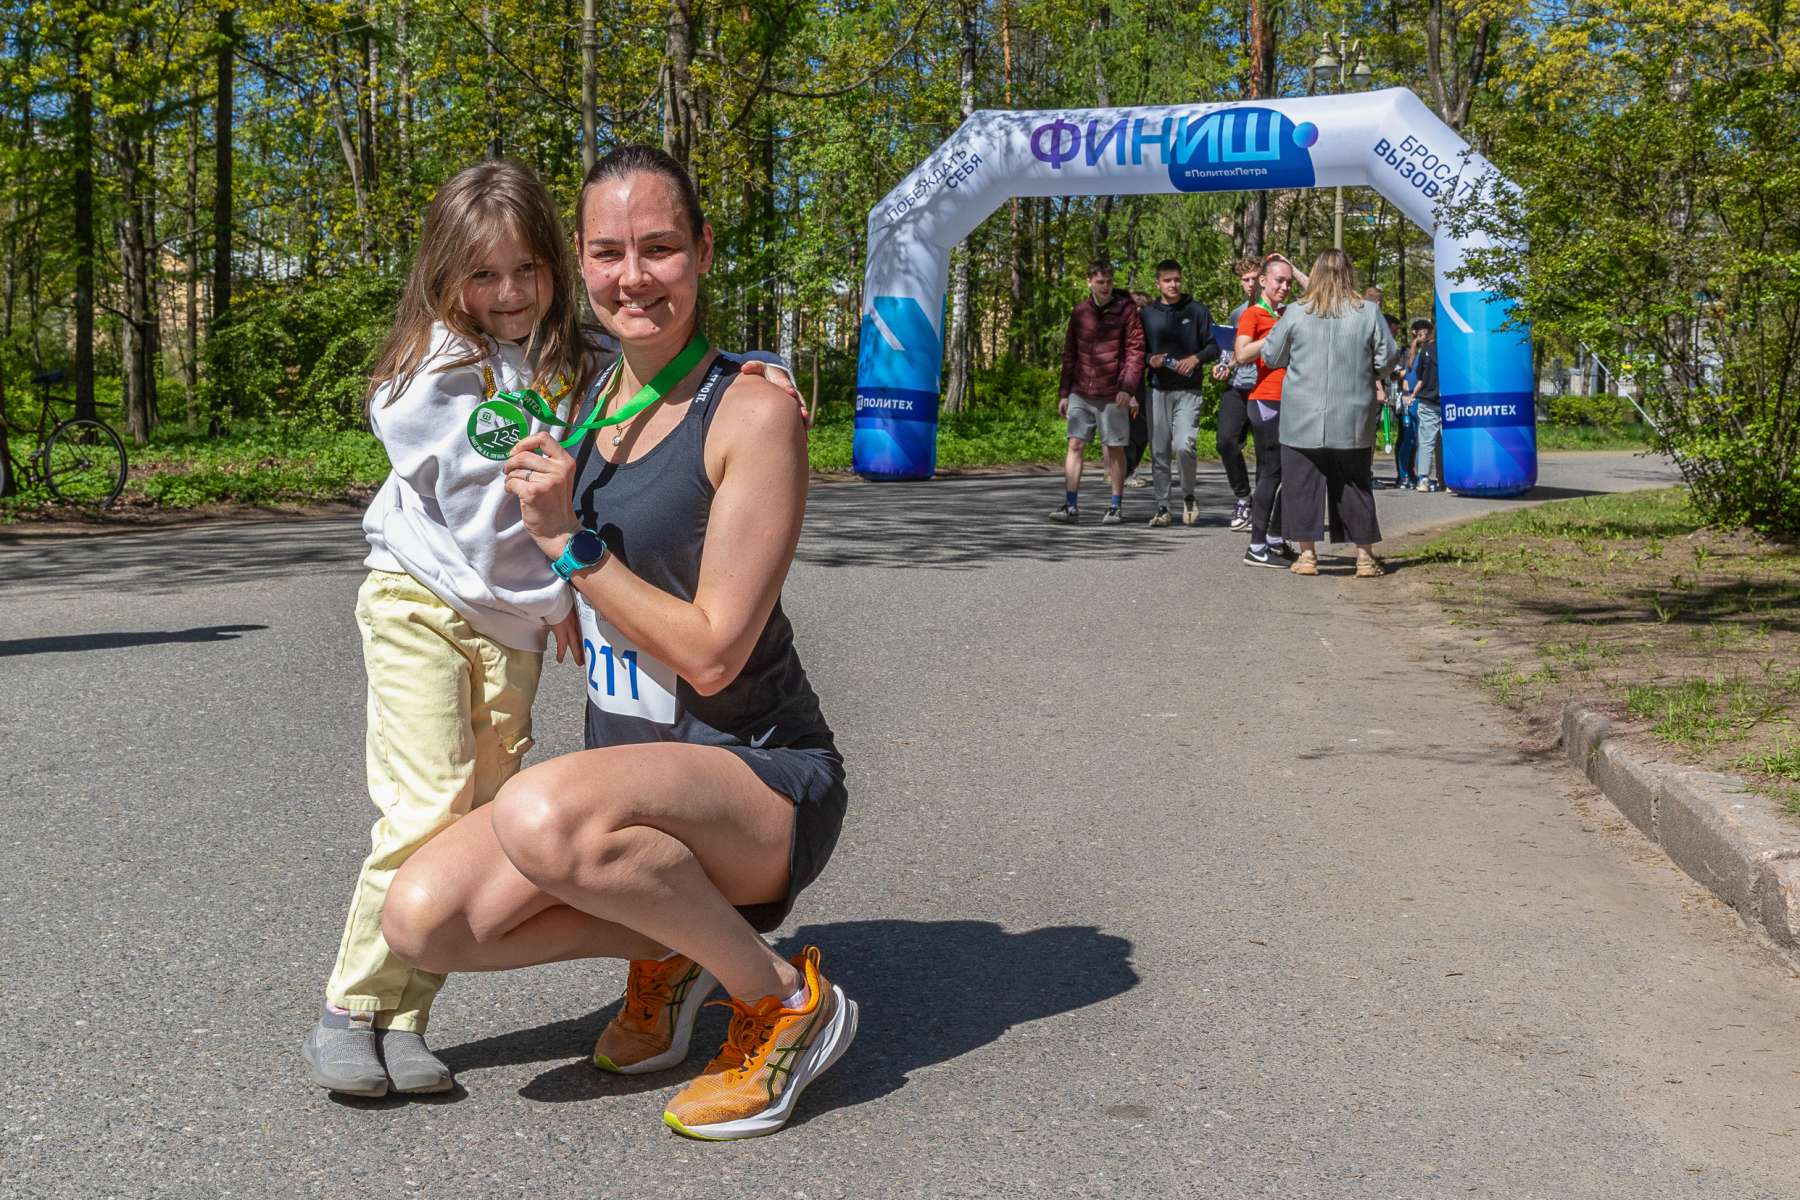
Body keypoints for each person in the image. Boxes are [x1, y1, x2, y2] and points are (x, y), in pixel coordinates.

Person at [380, 145, 854, 1142]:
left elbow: (716, 654)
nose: (633, 274)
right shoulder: (585, 395)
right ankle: (680, 945)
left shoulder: (754, 413)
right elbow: (461, 364)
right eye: (608, 252)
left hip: (758, 780)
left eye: (661, 247)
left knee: (543, 812)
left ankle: (783, 1001)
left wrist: (570, 544)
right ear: (579, 267)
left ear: (704, 251)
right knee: (424, 917)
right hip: (642, 792)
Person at [1260, 248, 1402, 578]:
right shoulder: (1367, 312)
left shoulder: (1296, 312)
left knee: (1301, 486)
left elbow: (1271, 355)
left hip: (1300, 417)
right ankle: (1364, 558)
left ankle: (1308, 556)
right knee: (1355, 486)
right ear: (1348, 274)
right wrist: (1373, 372)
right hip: (1352, 416)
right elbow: (1390, 356)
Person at [1051, 259, 1146, 525]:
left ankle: (1115, 505)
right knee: (1075, 443)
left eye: (1109, 282)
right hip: (1080, 389)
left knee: (1114, 448)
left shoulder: (1127, 311)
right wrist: (1064, 392)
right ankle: (1070, 505)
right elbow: (1069, 354)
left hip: (1113, 392)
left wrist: (1128, 388)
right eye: (1100, 282)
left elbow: (1135, 353)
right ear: (1089, 282)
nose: (1105, 286)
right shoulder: (1080, 311)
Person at [1230, 253, 1300, 567]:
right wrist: (1273, 335)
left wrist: (1293, 267)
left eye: (1288, 282)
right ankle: (1256, 546)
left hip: (1292, 400)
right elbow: (1242, 353)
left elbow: (1320, 293)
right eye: (1278, 280)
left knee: (1294, 472)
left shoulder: (1288, 312)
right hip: (1266, 400)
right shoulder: (1254, 315)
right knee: (1272, 473)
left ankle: (1274, 538)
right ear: (1262, 281)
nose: (1284, 286)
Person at [1138, 259, 1220, 526]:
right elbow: (1137, 351)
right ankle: (1162, 506)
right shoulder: (1147, 314)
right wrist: (1151, 359)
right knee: (1160, 450)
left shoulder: (1197, 311)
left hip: (1189, 390)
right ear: (1158, 283)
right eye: (1167, 280)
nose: (1173, 285)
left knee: (1184, 445)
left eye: (1177, 280)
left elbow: (1214, 346)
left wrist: (1196, 359)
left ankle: (1188, 495)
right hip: (1158, 390)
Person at [1211, 257, 1262, 529]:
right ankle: (1243, 497)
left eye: (1255, 278)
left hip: (1265, 387)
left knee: (1267, 451)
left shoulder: (1281, 311)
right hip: (1238, 385)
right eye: (1245, 279)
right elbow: (1229, 350)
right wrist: (1222, 367)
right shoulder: (1237, 313)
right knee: (1225, 442)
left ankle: (1266, 508)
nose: (1250, 284)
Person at [1122, 290, 1153, 489]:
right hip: (1127, 384)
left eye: (1143, 308)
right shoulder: (1125, 331)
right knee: (1135, 431)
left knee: (1137, 431)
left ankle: (1121, 470)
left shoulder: (1144, 330)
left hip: (1138, 382)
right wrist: (1131, 393)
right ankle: (1126, 472)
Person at [1408, 319, 1443, 491]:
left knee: (1426, 442)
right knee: (1445, 443)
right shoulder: (1450, 350)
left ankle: (1423, 479)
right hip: (1447, 402)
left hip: (1427, 401)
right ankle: (1446, 480)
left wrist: (1413, 395)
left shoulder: (1425, 351)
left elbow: (1420, 378)